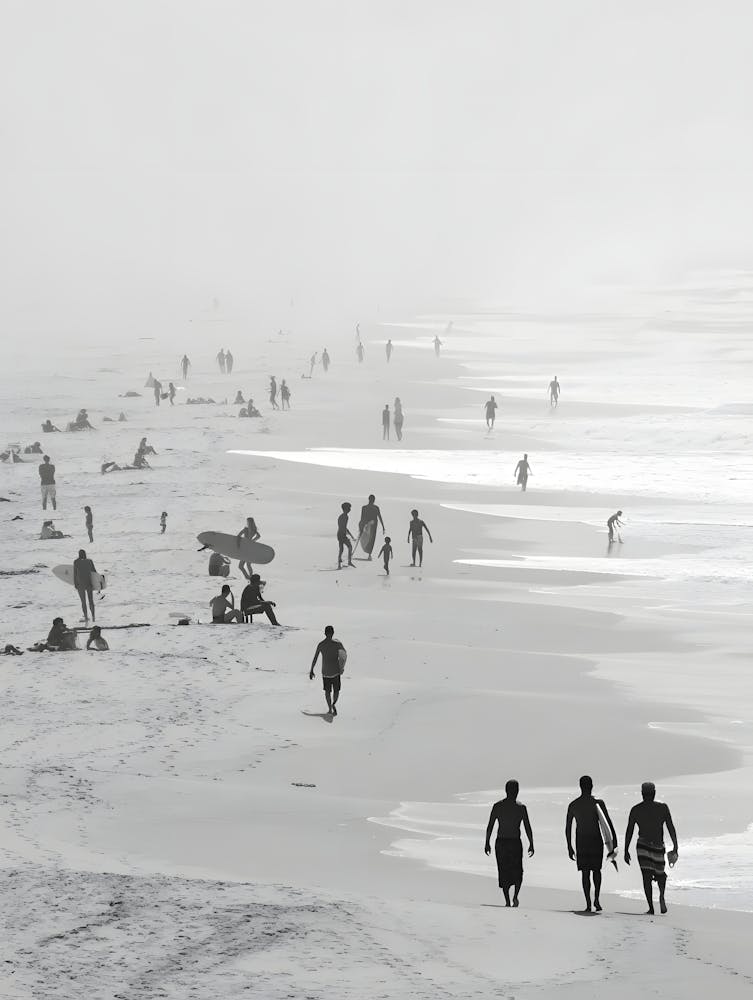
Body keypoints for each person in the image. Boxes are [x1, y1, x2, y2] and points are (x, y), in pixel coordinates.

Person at [624, 782, 679, 915]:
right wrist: (675, 846)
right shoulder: (662, 807)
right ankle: (661, 896)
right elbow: (670, 826)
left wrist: (626, 849)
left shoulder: (636, 809)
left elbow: (629, 831)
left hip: (642, 846)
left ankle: (651, 907)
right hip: (658, 845)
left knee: (646, 876)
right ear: (654, 793)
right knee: (660, 874)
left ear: (642, 794)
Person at [565, 775, 617, 913]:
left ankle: (588, 903)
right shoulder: (598, 803)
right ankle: (596, 899)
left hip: (581, 841)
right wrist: (614, 842)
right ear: (592, 786)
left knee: (585, 872)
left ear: (580, 786)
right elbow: (608, 824)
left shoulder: (574, 805)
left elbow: (568, 827)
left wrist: (569, 846)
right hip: (595, 840)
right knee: (596, 870)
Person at [484, 780, 535, 907]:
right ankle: (508, 900)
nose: (515, 792)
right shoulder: (501, 806)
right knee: (505, 872)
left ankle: (514, 897)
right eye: (513, 790)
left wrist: (531, 843)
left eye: (516, 790)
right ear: (508, 791)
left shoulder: (519, 807)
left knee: (516, 872)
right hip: (505, 842)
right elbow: (490, 825)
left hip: (511, 842)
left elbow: (527, 827)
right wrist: (487, 842)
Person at [309, 625, 346, 716]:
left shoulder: (321, 644)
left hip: (325, 672)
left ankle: (329, 708)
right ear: (333, 633)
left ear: (325, 633)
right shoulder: (337, 644)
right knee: (336, 691)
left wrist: (311, 670)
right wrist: (341, 667)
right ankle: (334, 704)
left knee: (327, 691)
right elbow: (344, 656)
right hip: (335, 671)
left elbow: (315, 658)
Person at [73, 548, 98, 623]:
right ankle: (93, 617)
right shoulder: (89, 561)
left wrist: (75, 584)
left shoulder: (76, 562)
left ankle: (86, 617)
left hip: (80, 584)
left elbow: (75, 574)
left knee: (83, 602)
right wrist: (98, 583)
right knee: (91, 601)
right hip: (89, 583)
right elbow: (94, 572)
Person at [358, 494, 385, 559]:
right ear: (373, 500)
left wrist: (383, 526)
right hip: (370, 525)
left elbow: (362, 518)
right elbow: (379, 517)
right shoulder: (373, 508)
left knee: (369, 539)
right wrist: (383, 526)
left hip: (370, 525)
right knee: (370, 539)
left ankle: (368, 554)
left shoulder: (365, 507)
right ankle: (368, 553)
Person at [337, 502, 355, 569]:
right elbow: (343, 527)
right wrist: (350, 535)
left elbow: (344, 527)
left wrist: (351, 535)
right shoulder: (344, 517)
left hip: (341, 534)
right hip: (341, 534)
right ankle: (346, 562)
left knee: (342, 549)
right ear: (345, 509)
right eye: (349, 508)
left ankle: (343, 563)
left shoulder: (344, 516)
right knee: (346, 548)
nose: (350, 509)